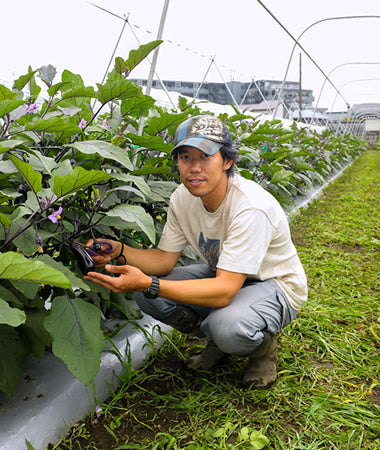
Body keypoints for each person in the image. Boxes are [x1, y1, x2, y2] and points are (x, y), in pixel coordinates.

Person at [84, 114, 308, 389]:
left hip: (273, 285)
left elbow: (225, 290)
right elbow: (164, 260)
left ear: (227, 161)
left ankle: (263, 348)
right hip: (224, 275)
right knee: (148, 294)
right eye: (185, 157)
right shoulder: (182, 197)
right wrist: (119, 251)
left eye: (205, 156)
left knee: (226, 325)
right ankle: (219, 341)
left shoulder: (250, 207)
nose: (194, 168)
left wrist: (150, 282)